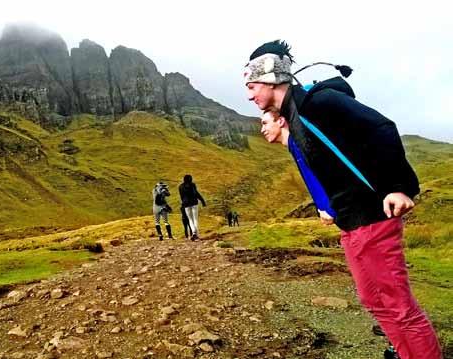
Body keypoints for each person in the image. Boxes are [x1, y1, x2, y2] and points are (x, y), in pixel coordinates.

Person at [244, 40, 442, 359]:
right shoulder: (295, 117)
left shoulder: (318, 103)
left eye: (251, 86)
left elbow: (380, 128)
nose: (249, 95)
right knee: (374, 300)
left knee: (399, 308)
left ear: (269, 77)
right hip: (352, 224)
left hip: (373, 219)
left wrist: (397, 186)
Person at [178, 174, 206, 240]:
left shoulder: (180, 187)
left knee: (190, 219)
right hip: (194, 202)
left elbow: (181, 197)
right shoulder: (193, 185)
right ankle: (196, 234)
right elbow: (196, 193)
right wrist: (202, 201)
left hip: (186, 204)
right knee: (195, 219)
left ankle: (193, 233)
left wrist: (184, 203)